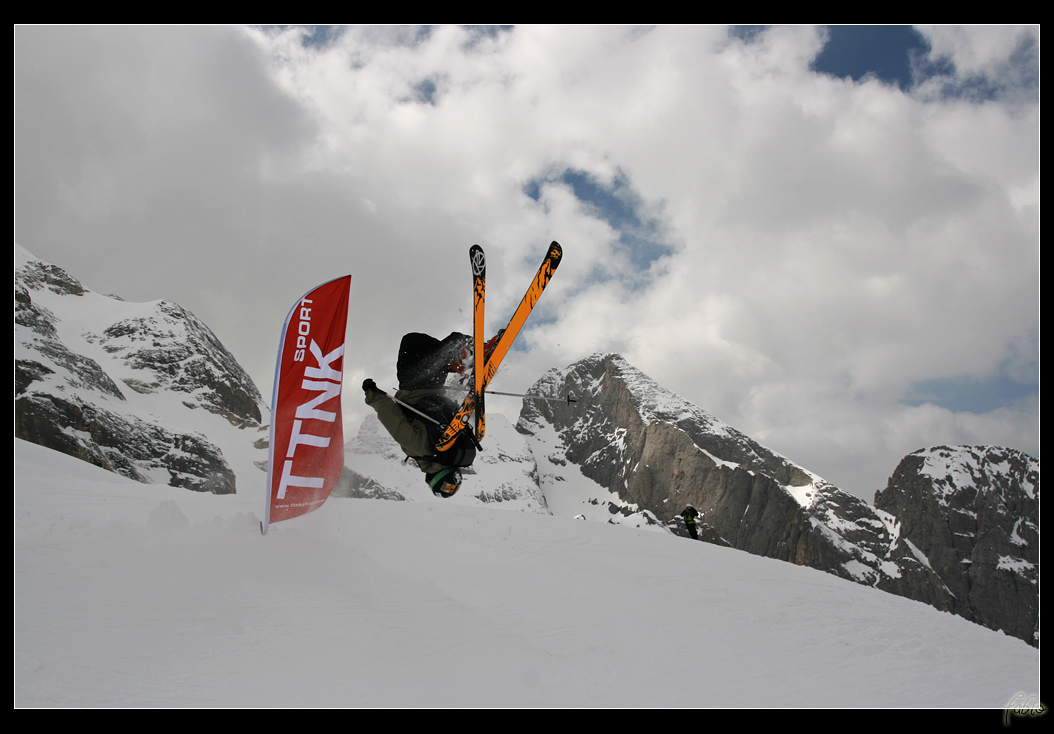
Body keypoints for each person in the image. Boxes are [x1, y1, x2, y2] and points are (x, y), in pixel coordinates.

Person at [362, 332, 479, 498]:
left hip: (436, 385)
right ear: (430, 479)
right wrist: (373, 395)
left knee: (433, 351)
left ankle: (460, 355)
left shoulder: (449, 448)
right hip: (414, 383)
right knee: (412, 341)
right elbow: (391, 418)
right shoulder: (417, 448)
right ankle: (459, 351)